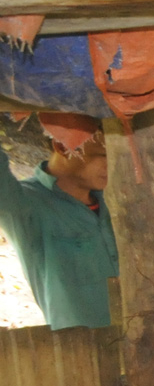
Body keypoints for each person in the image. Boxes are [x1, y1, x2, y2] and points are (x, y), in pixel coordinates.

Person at [0, 114, 119, 331]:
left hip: (146, 347)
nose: (113, 165)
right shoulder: (25, 207)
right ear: (63, 148)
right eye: (103, 155)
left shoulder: (115, 203)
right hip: (82, 355)